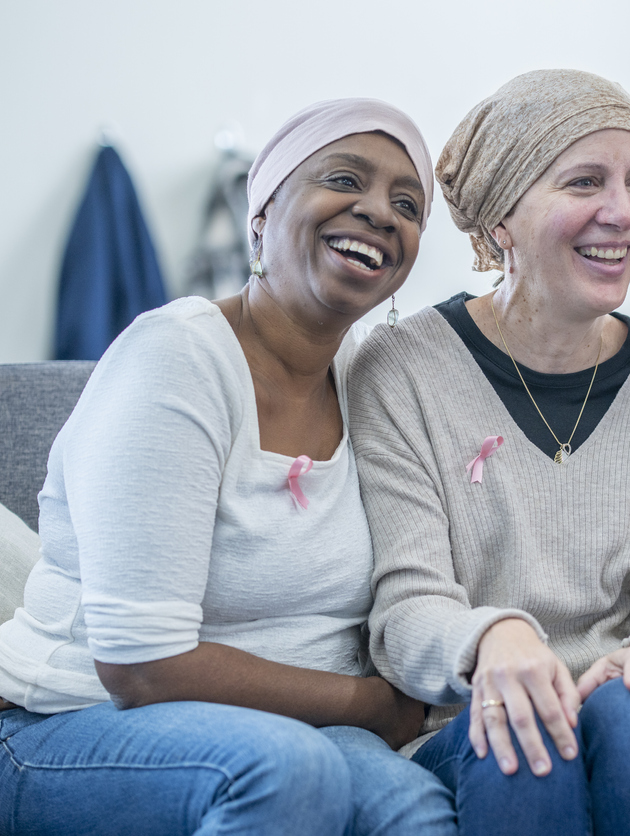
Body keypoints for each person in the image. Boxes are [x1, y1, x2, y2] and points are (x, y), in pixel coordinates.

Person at [0, 99, 457, 836]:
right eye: (345, 179)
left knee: (412, 809)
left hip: (294, 728)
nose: (380, 211)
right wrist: (372, 705)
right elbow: (143, 668)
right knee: (284, 770)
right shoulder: (175, 358)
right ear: (262, 215)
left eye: (407, 204)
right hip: (71, 720)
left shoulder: (372, 382)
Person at [347, 69, 630, 836]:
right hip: (471, 725)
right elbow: (405, 607)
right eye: (584, 182)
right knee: (520, 726)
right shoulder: (398, 367)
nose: (624, 213)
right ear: (500, 222)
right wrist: (493, 635)